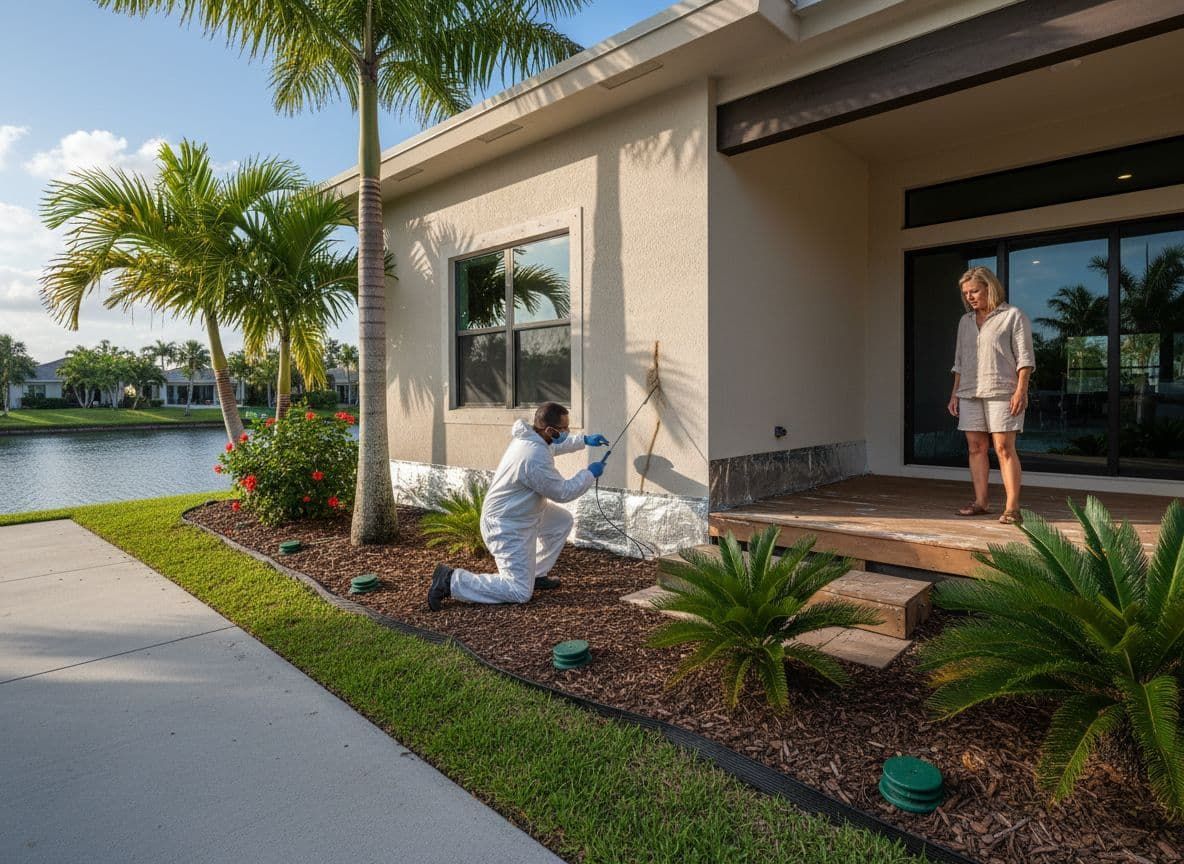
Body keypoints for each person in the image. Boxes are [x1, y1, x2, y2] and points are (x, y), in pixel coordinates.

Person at [427, 402, 610, 609]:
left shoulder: (534, 438)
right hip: (506, 525)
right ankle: (450, 580)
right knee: (519, 591)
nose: (567, 432)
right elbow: (563, 492)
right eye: (564, 429)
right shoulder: (532, 457)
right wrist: (589, 473)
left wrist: (584, 440)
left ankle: (536, 574)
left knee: (561, 522)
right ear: (549, 430)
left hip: (522, 512)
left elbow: (555, 445)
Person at [947, 265, 1035, 525]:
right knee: (976, 447)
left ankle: (1012, 507)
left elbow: (1026, 359)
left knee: (1003, 448)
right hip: (969, 391)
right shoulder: (965, 322)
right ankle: (981, 502)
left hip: (1002, 391)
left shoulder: (1013, 316)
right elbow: (960, 362)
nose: (970, 297)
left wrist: (1021, 390)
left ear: (989, 287)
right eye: (966, 293)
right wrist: (954, 394)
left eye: (974, 291)